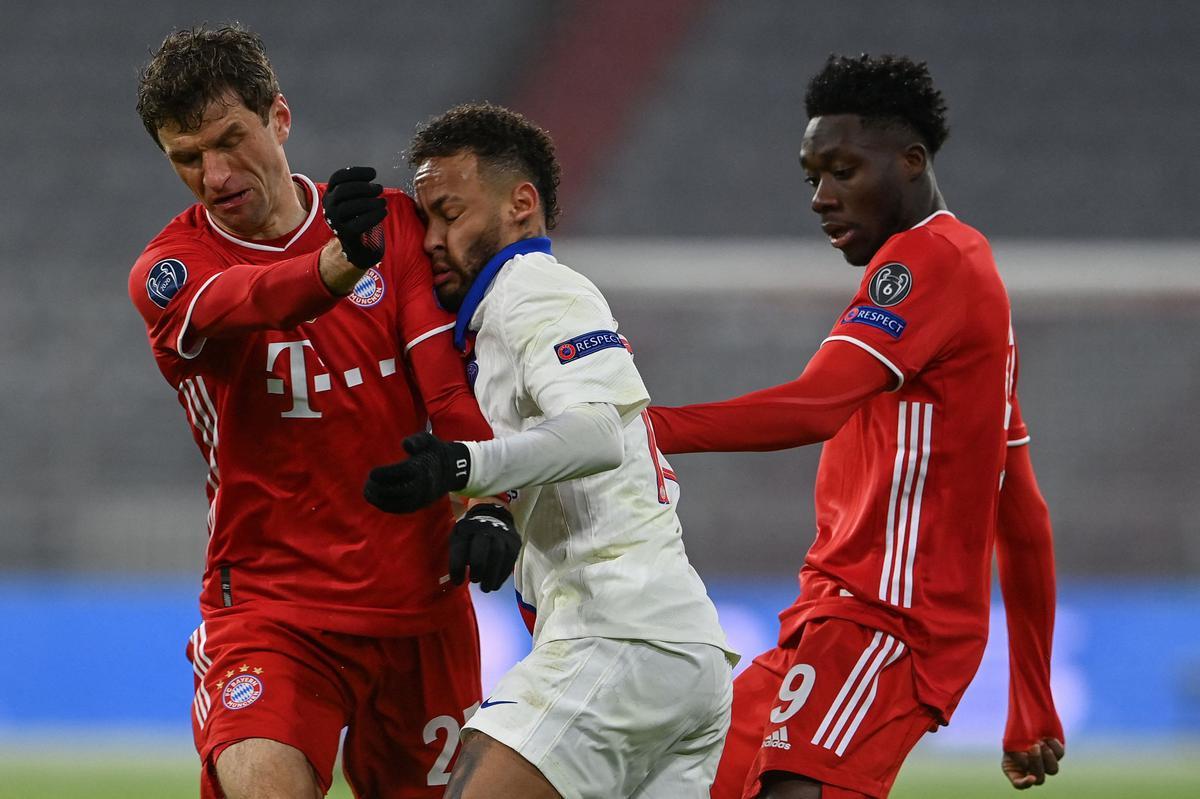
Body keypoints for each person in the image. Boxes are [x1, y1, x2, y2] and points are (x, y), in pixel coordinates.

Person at [644, 55, 1064, 799]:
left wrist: (637, 430)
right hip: (830, 616)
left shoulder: (931, 260)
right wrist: (1030, 692)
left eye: (842, 170)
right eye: (812, 177)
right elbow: (1019, 503)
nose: (821, 197)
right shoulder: (966, 285)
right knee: (682, 781)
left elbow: (815, 404)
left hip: (888, 622)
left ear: (911, 162)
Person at [129, 25, 519, 799]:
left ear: (279, 117)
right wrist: (338, 265)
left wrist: (492, 498)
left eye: (229, 140)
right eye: (186, 157)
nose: (213, 174)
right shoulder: (172, 272)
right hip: (274, 613)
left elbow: (444, 386)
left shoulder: (393, 227)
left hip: (421, 609)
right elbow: (257, 297)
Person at [362, 102, 739, 799]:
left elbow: (596, 433)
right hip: (680, 656)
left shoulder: (535, 289)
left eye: (450, 212)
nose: (433, 240)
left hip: (619, 636)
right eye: (425, 221)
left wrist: (463, 466)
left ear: (521, 205)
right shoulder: (493, 319)